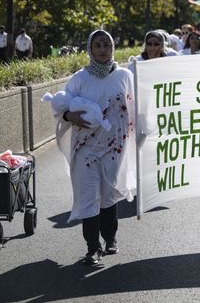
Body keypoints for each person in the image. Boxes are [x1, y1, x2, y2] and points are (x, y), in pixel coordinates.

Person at [56, 29, 136, 265]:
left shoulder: (124, 76)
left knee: (108, 194)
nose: (102, 49)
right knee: (88, 196)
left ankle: (110, 238)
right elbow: (61, 106)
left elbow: (135, 106)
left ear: (112, 49)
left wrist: (141, 134)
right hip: (86, 148)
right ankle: (92, 247)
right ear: (90, 49)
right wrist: (71, 116)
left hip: (114, 147)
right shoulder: (79, 78)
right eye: (98, 45)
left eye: (106, 45)